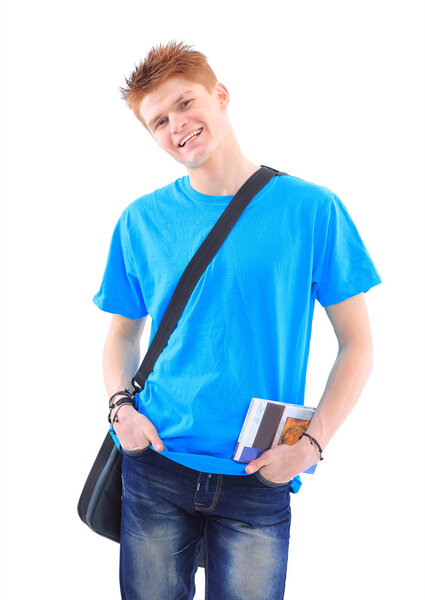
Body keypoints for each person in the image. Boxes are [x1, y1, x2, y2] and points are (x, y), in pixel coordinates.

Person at [92, 40, 382, 600]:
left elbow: (358, 343)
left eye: (185, 103)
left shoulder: (311, 209)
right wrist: (119, 410)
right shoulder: (140, 221)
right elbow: (122, 333)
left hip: (259, 471)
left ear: (220, 95)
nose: (177, 125)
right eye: (159, 121)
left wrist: (311, 446)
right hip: (155, 465)